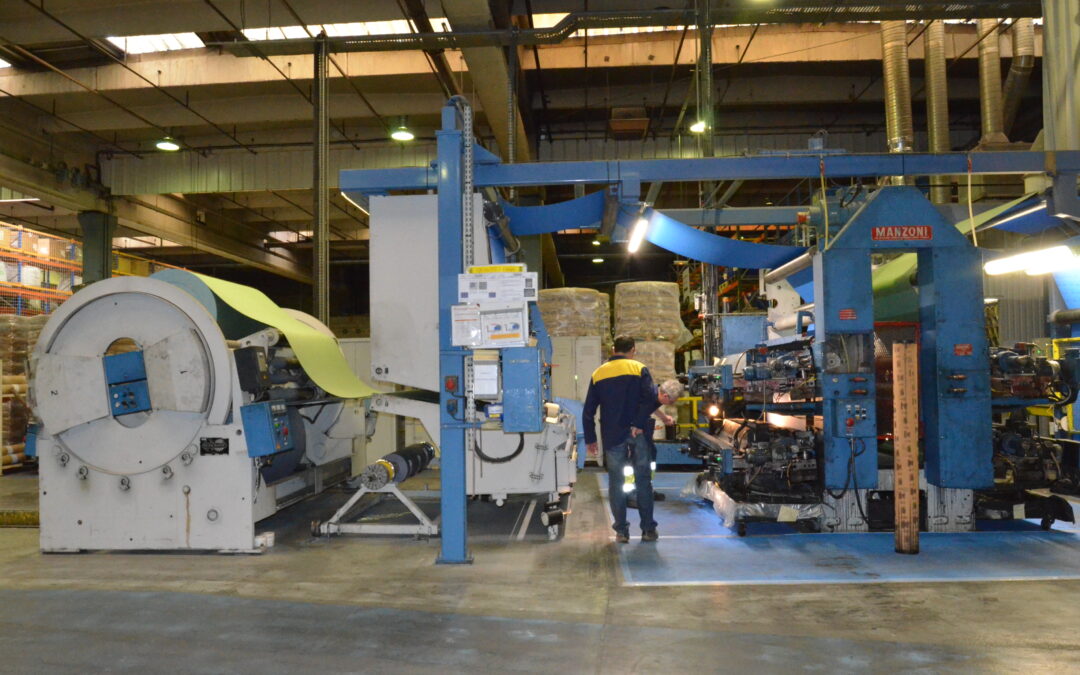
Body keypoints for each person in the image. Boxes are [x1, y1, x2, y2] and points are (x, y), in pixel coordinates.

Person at [583, 335, 660, 543]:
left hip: (612, 435)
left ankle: (621, 532)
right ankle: (648, 529)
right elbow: (650, 398)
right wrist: (638, 423)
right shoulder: (639, 368)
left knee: (616, 483)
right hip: (638, 433)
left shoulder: (599, 373)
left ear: (613, 349)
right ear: (633, 350)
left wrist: (590, 438)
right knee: (643, 481)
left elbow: (588, 410)